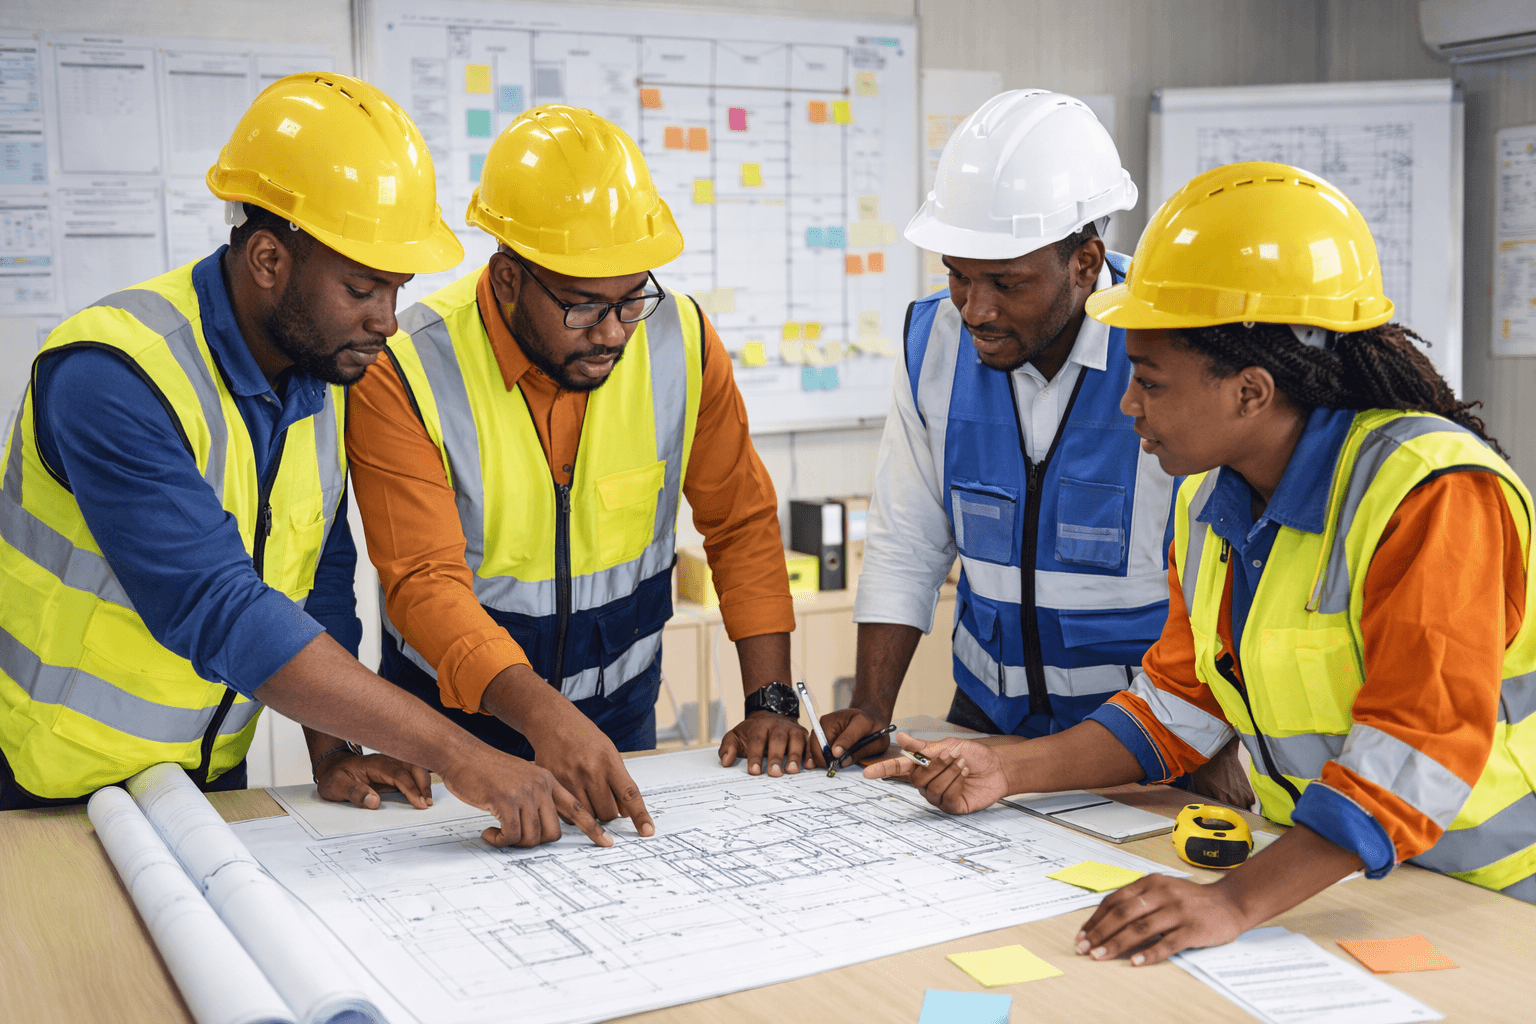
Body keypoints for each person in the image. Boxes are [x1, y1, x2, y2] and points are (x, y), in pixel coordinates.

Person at [870, 161, 1536, 963]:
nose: (1127, 404)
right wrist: (1006, 770)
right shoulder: (1209, 503)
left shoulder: (1432, 493)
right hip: (1328, 882)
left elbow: (1416, 748)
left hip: (1486, 902)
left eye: (1148, 380)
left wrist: (1233, 902)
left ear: (1250, 392)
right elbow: (1178, 705)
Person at [0, 73, 609, 850]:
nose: (387, 320)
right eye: (362, 288)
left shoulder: (320, 369)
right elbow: (218, 607)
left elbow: (313, 566)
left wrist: (331, 746)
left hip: (200, 781)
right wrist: (461, 754)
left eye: (397, 289)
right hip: (43, 788)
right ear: (266, 260)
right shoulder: (113, 375)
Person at [347, 104, 804, 838]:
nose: (617, 332)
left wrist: (771, 698)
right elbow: (423, 583)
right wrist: (544, 720)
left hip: (619, 720)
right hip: (452, 738)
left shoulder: (679, 339)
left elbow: (740, 520)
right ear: (504, 279)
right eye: (586, 307)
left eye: (633, 298)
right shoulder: (405, 369)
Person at [818, 90, 1248, 803]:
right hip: (989, 724)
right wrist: (872, 706)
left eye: (1005, 283)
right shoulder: (934, 342)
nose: (974, 308)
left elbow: (1222, 590)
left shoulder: (1176, 353)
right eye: (958, 275)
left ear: (1085, 262)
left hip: (1155, 743)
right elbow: (907, 541)